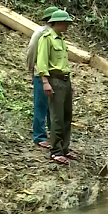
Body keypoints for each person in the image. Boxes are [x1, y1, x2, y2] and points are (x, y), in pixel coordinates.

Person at [35, 10, 76, 164]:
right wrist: (45, 81)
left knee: (67, 116)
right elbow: (42, 62)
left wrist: (69, 83)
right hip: (54, 80)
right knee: (57, 117)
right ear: (57, 23)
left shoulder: (61, 40)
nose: (67, 26)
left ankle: (65, 148)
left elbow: (64, 64)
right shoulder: (46, 39)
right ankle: (56, 151)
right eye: (65, 23)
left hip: (65, 80)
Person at [26, 6, 58, 148]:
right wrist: (31, 70)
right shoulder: (40, 33)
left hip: (55, 76)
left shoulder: (57, 35)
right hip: (42, 74)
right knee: (41, 106)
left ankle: (53, 134)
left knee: (53, 107)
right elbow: (32, 52)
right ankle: (39, 136)